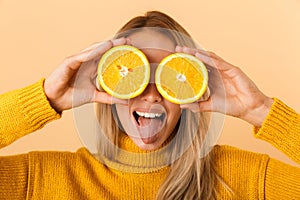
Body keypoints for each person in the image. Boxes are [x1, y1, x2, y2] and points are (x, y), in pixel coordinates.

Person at [0, 11, 299, 200]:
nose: (152, 94)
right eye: (134, 74)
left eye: (170, 76)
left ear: (190, 87)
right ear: (107, 83)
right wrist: (45, 99)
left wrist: (259, 110)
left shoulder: (243, 177)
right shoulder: (42, 178)